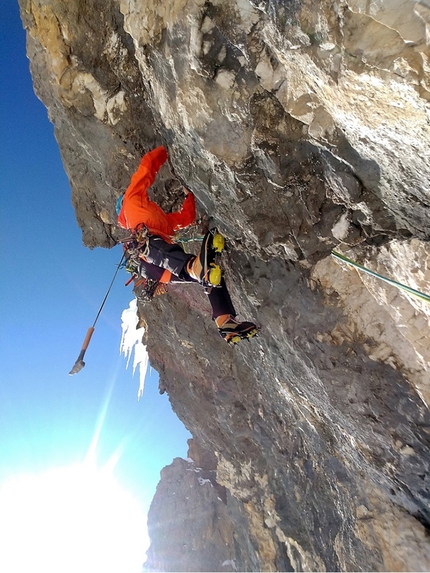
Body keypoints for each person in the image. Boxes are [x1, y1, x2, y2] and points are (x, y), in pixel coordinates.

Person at [116, 145, 258, 344]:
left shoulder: (160, 219)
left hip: (162, 269)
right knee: (156, 247)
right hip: (153, 256)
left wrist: (189, 195)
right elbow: (146, 168)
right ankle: (194, 268)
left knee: (209, 275)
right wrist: (167, 148)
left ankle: (225, 321)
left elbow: (186, 218)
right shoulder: (131, 200)